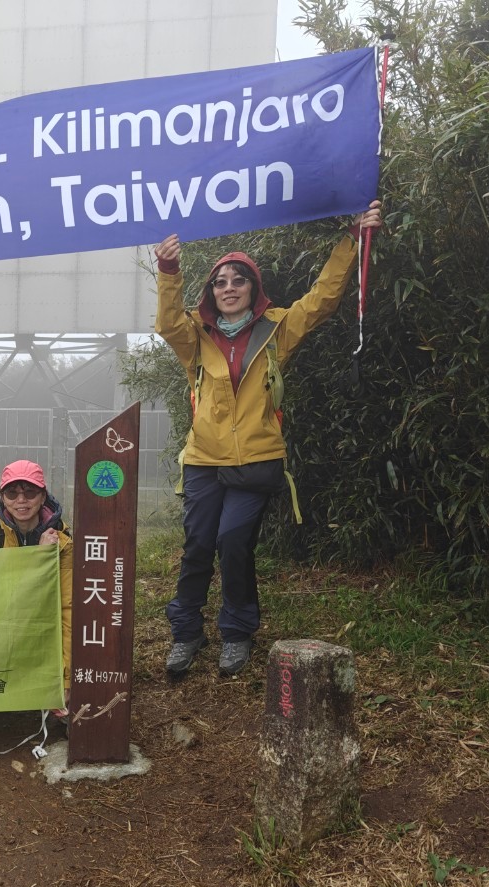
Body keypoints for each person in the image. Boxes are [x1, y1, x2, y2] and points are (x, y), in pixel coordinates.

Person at [153, 200, 383, 680]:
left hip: (256, 459)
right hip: (204, 460)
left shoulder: (277, 329)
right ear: (211, 293)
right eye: (220, 282)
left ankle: (236, 631)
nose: (229, 288)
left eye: (238, 281)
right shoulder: (195, 335)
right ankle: (186, 632)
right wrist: (169, 270)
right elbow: (168, 323)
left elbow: (321, 299)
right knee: (198, 546)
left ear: (254, 289)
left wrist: (354, 238)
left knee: (234, 542)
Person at [0, 460, 72, 715]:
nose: (21, 500)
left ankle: (51, 689)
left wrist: (66, 680)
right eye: (12, 493)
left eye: (30, 492)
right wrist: (39, 558)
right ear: (2, 498)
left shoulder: (63, 543)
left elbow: (67, 609)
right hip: (4, 626)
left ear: (43, 497)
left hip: (44, 630)